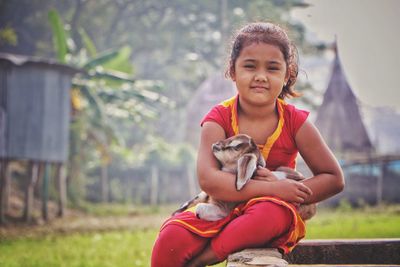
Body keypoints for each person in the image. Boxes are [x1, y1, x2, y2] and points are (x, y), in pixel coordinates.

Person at [151, 22, 344, 267]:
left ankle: (204, 260)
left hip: (267, 213)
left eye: (272, 68)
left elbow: (333, 178)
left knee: (270, 214)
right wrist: (273, 189)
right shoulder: (218, 118)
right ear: (233, 70)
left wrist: (289, 193)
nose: (260, 76)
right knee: (172, 236)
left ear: (287, 74)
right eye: (250, 66)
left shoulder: (295, 122)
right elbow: (209, 179)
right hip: (219, 205)